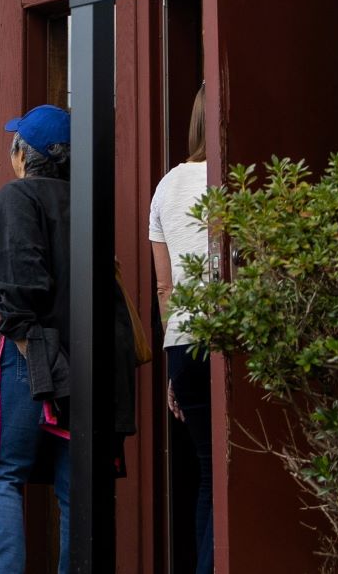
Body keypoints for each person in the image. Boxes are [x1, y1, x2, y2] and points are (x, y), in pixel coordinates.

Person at [0, 105, 138, 574]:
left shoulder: (18, 196)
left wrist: (8, 327)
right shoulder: (87, 204)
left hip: (35, 352)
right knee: (77, 486)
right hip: (97, 362)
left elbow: (23, 286)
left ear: (23, 153)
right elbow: (40, 271)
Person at [150, 86, 215, 574]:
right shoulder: (237, 176)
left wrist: (174, 367)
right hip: (232, 336)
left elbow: (164, 287)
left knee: (209, 476)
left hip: (184, 344)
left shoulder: (167, 185)